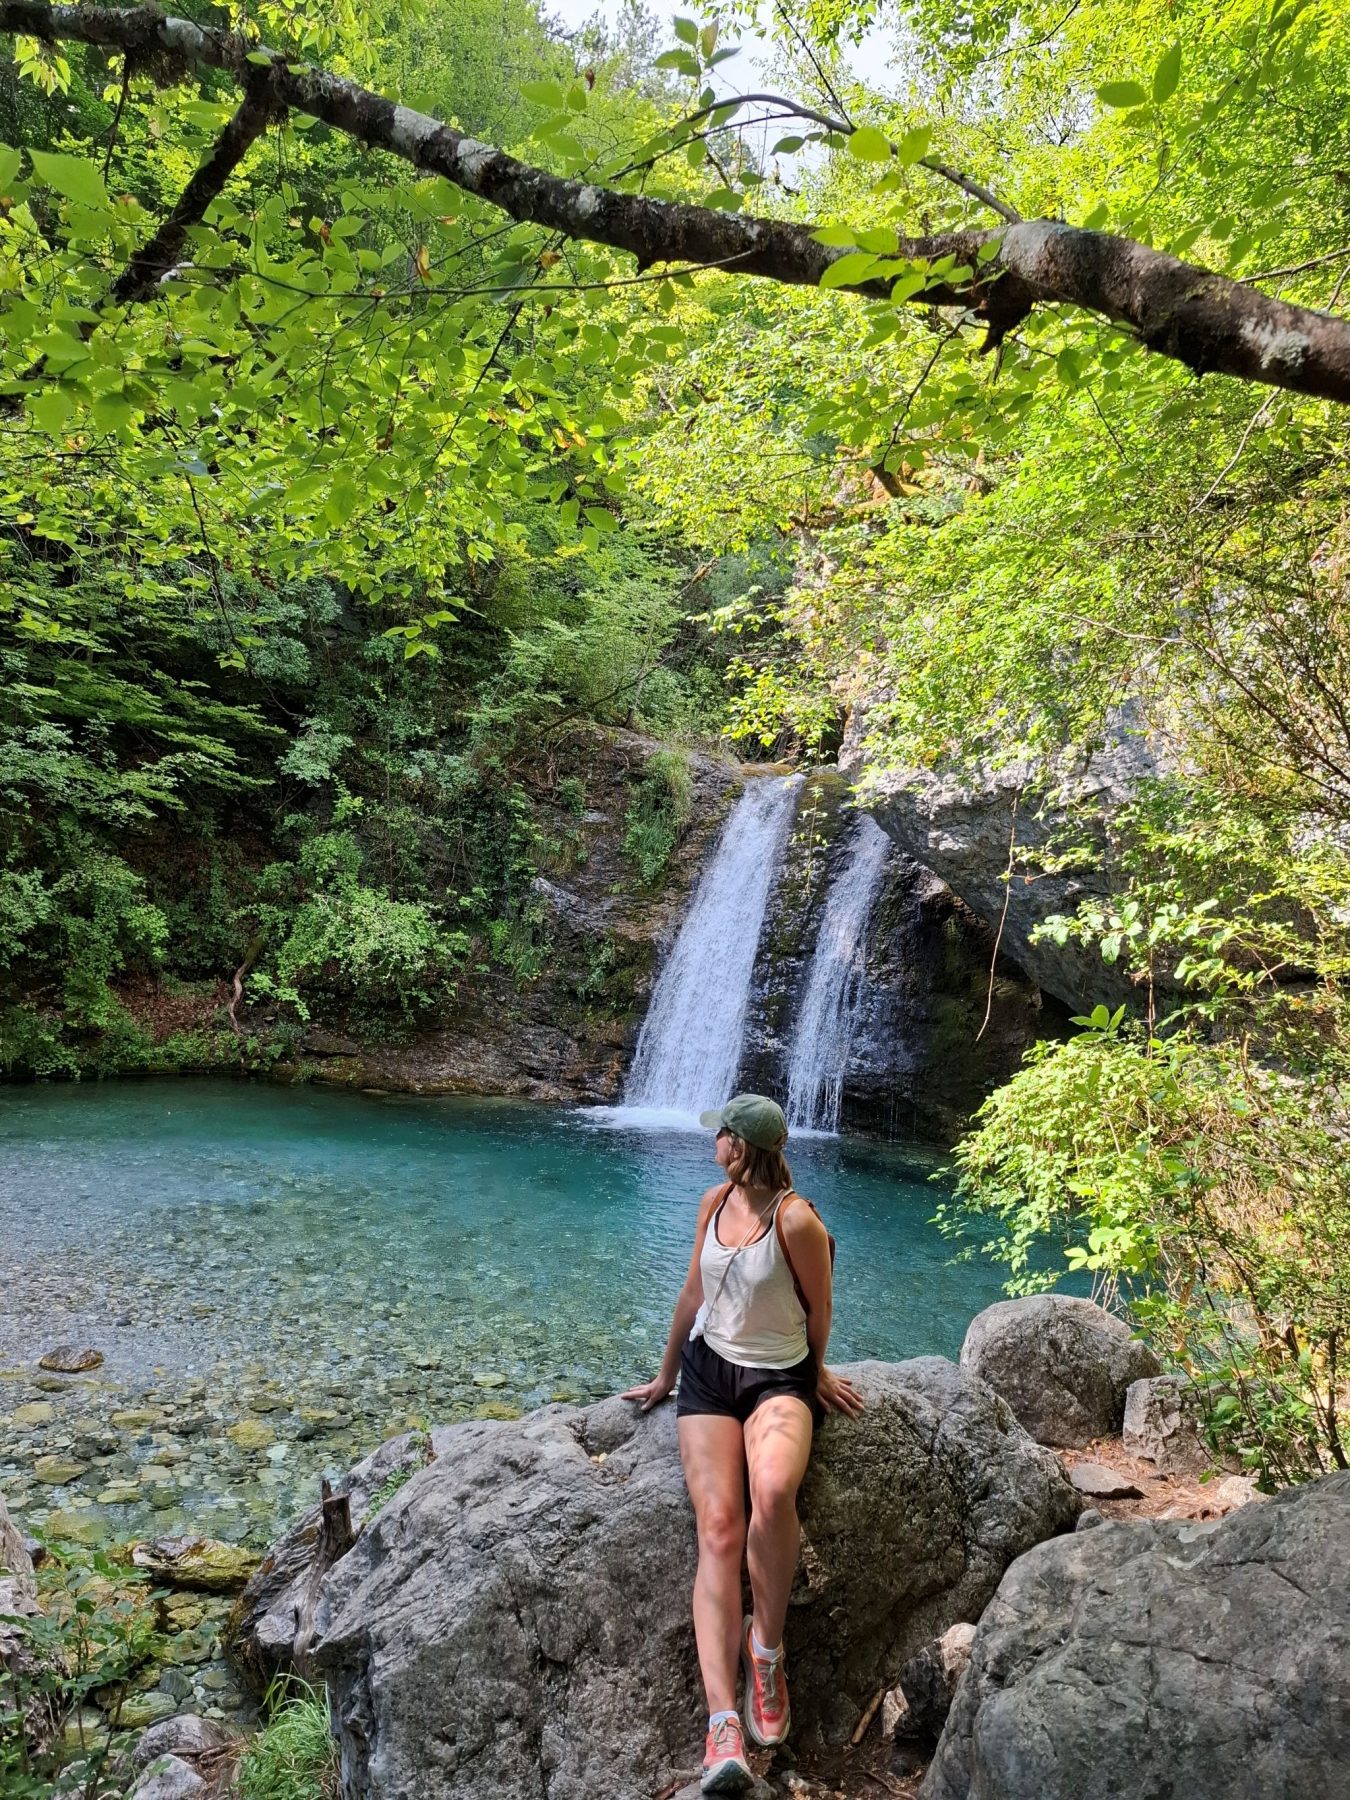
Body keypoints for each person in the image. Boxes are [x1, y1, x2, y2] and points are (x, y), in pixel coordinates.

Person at [623, 1093, 864, 1795]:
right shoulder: (712, 1202)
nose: (714, 1141)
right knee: (720, 1527)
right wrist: (666, 1374)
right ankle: (722, 1722)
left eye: (721, 1134)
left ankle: (767, 1651)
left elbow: (821, 1307)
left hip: (777, 1379)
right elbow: (692, 1296)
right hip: (708, 1374)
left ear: (743, 1145)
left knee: (775, 1490)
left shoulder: (797, 1219)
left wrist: (816, 1371)